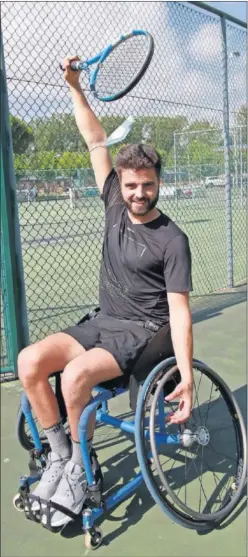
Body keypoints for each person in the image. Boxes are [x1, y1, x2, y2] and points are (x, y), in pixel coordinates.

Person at [17, 56, 194, 528]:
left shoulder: (173, 239)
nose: (138, 193)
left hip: (140, 332)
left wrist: (186, 374)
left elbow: (178, 313)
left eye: (147, 185)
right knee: (29, 362)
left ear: (160, 184)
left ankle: (79, 468)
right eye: (132, 184)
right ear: (123, 183)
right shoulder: (113, 198)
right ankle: (61, 457)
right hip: (102, 321)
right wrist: (75, 86)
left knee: (75, 377)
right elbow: (95, 139)